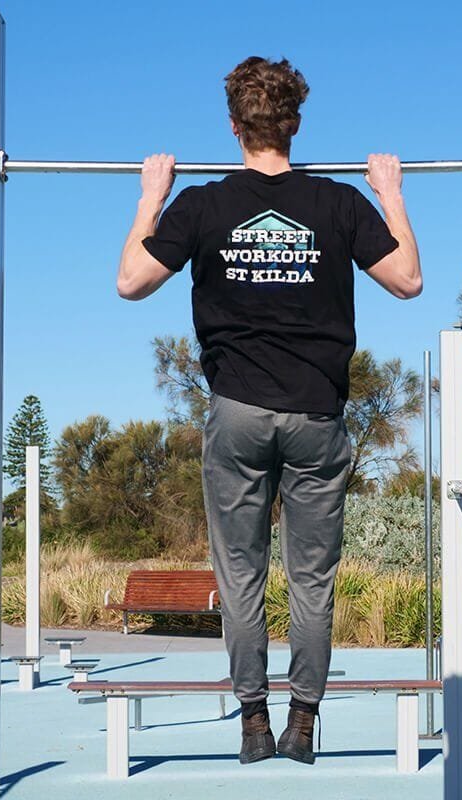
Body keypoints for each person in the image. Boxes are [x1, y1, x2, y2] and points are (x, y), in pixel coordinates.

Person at [114, 56, 421, 765]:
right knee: (311, 580)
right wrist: (391, 194)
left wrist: (150, 198)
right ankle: (302, 722)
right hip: (316, 418)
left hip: (238, 415)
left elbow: (130, 281)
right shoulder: (339, 203)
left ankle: (253, 721)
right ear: (295, 124)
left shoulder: (202, 205)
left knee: (241, 575)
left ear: (234, 127)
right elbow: (407, 278)